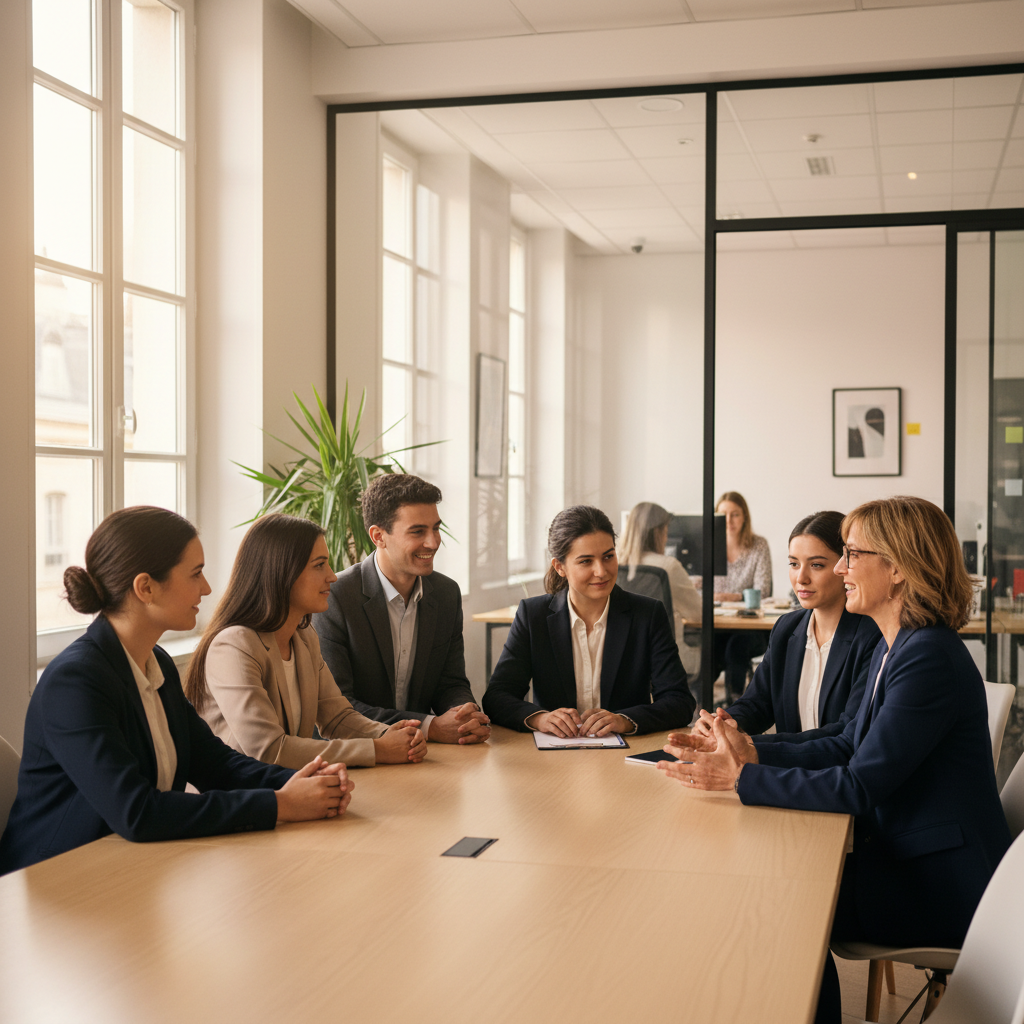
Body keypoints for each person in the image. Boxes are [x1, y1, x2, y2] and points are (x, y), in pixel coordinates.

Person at [658, 496, 1012, 1024]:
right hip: (911, 856)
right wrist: (750, 749)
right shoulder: (903, 644)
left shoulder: (927, 658)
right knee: (774, 880)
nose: (841, 568)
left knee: (788, 901)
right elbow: (848, 740)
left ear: (896, 569)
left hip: (940, 884)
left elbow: (859, 785)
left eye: (850, 554)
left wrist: (743, 779)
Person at [0, 507, 352, 876]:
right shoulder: (75, 682)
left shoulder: (157, 663)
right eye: (196, 573)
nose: (207, 588)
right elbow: (137, 812)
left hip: (130, 867)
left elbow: (215, 764)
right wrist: (280, 804)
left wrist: (307, 783)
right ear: (146, 587)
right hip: (55, 881)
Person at [184, 514, 426, 769]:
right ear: (282, 571)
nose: (332, 576)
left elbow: (337, 717)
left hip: (288, 789)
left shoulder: (304, 637)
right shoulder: (234, 645)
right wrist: (377, 749)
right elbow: (268, 750)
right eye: (319, 565)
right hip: (240, 799)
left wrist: (388, 734)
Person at [483, 505, 696, 736]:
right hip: (552, 756)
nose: (601, 571)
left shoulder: (648, 614)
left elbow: (680, 702)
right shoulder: (533, 615)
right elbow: (497, 697)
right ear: (560, 567)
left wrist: (625, 721)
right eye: (586, 561)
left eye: (608, 557)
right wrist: (539, 718)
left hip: (624, 754)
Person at [313, 474, 490, 745]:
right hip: (353, 753)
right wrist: (431, 726)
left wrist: (463, 715)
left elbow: (451, 683)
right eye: (417, 531)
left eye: (436, 528)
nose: (433, 542)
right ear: (378, 536)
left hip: (422, 755)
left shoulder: (446, 594)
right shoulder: (336, 597)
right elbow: (340, 707)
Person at [691, 510, 880, 744]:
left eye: (817, 565)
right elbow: (758, 702)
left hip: (835, 774)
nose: (801, 578)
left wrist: (751, 746)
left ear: (845, 565)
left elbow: (847, 731)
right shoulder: (787, 628)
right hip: (787, 772)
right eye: (794, 563)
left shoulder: (873, 635)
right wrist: (725, 724)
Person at [694, 490, 773, 703]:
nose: (729, 520)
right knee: (711, 648)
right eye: (723, 514)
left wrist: (720, 596)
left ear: (744, 516)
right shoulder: (707, 546)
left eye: (735, 514)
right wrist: (737, 596)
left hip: (748, 627)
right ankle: (701, 705)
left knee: (735, 647)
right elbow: (693, 586)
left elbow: (762, 591)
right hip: (718, 624)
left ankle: (736, 703)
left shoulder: (758, 545)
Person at [618, 501, 702, 677]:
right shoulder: (668, 566)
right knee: (721, 646)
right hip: (667, 658)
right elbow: (699, 615)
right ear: (658, 532)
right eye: (665, 530)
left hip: (622, 658)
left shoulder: (614, 564)